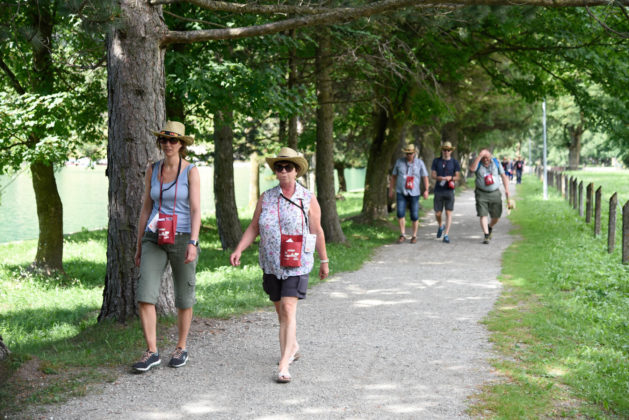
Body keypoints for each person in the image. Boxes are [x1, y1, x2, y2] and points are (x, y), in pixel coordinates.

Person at [230, 147, 329, 384]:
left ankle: (284, 363)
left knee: (287, 308)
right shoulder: (267, 197)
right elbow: (254, 227)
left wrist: (324, 260)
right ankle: (292, 345)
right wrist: (239, 248)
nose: (283, 171)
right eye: (279, 167)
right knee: (280, 311)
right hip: (271, 262)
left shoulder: (307, 198)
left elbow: (317, 230)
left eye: (288, 167)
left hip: (297, 262)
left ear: (296, 171)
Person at [132, 121, 201, 372]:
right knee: (145, 294)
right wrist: (139, 245)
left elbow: (196, 210)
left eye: (173, 140)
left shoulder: (190, 171)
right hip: (154, 236)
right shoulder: (153, 169)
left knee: (184, 296)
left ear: (181, 144)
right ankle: (152, 351)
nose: (168, 144)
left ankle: (181, 347)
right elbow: (146, 208)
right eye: (164, 140)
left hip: (182, 236)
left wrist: (193, 242)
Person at [388, 144, 429, 244]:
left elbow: (425, 177)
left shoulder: (420, 163)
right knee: (400, 213)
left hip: (414, 193)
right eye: (407, 153)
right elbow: (393, 177)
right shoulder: (399, 162)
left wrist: (426, 190)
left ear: (414, 153)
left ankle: (414, 236)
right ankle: (402, 234)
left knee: (414, 215)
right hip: (401, 191)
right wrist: (391, 190)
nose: (408, 155)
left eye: (410, 153)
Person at [470, 148, 511, 244]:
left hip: (495, 193)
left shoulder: (496, 162)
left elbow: (503, 176)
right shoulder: (478, 163)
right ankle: (486, 235)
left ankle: (490, 227)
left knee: (496, 216)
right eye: (483, 158)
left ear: (490, 156)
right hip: (481, 193)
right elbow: (472, 169)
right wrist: (480, 156)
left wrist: (507, 190)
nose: (485, 159)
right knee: (483, 214)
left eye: (487, 157)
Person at [430, 142, 461, 244]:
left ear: (451, 151)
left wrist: (450, 178)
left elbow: (458, 177)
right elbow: (432, 175)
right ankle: (440, 226)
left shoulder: (455, 162)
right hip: (438, 190)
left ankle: (446, 235)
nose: (446, 152)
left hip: (449, 190)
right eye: (444, 150)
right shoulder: (436, 161)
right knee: (438, 213)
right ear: (442, 150)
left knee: (448, 212)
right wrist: (438, 177)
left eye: (448, 150)